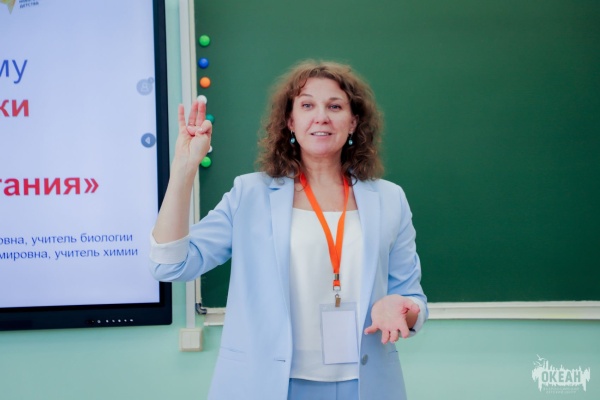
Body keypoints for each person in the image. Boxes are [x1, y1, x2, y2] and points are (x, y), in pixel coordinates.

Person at [149, 60, 427, 400]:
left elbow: (412, 298)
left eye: (335, 106)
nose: (321, 117)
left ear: (354, 121)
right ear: (290, 121)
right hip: (267, 384)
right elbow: (170, 264)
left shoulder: (389, 198)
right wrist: (183, 168)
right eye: (307, 105)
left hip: (366, 385)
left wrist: (402, 308)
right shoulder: (250, 194)